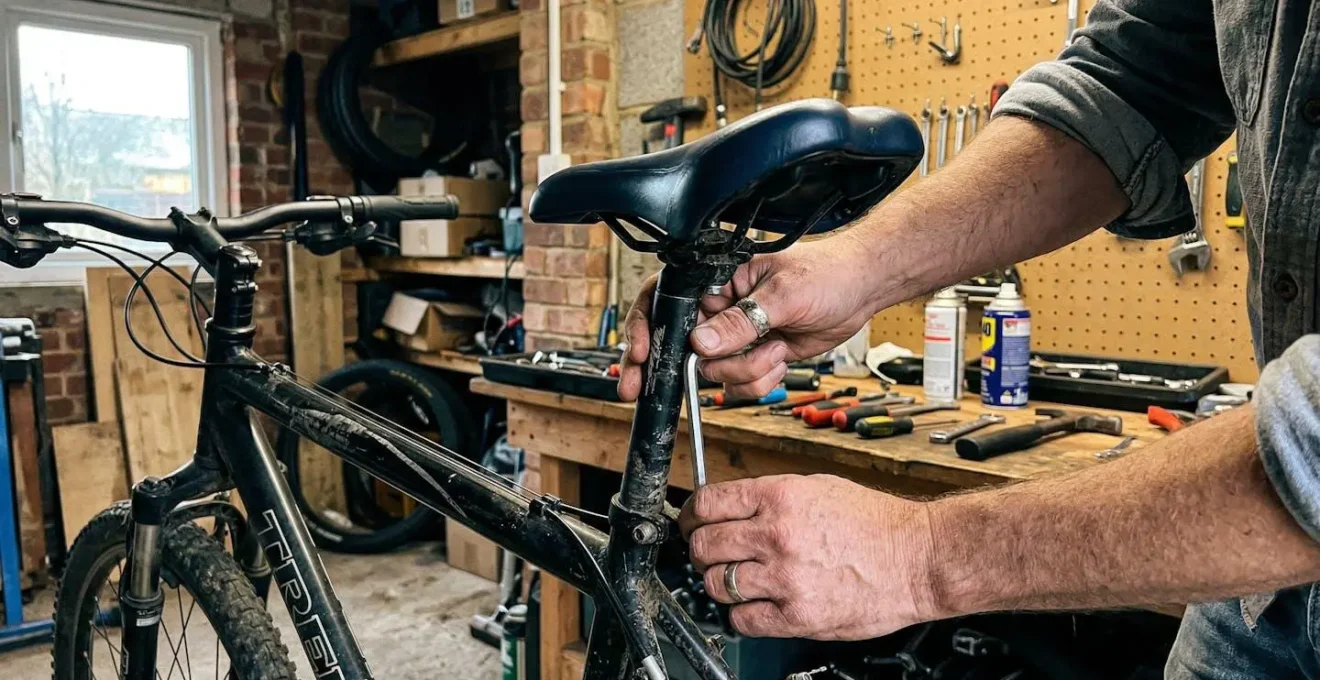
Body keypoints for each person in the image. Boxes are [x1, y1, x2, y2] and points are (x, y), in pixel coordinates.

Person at [617, 0, 1320, 675]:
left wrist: (919, 558)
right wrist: (852, 269)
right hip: (1259, 603)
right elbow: (1126, 87)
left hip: (1268, 518)